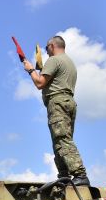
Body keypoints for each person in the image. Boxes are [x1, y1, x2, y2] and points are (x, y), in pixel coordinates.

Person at [22, 35, 90, 186]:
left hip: (57, 102)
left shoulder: (54, 60)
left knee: (61, 139)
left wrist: (30, 69)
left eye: (47, 48)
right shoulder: (69, 62)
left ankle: (80, 174)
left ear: (52, 46)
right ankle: (64, 176)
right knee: (61, 140)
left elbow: (40, 83)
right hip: (68, 102)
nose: (46, 52)